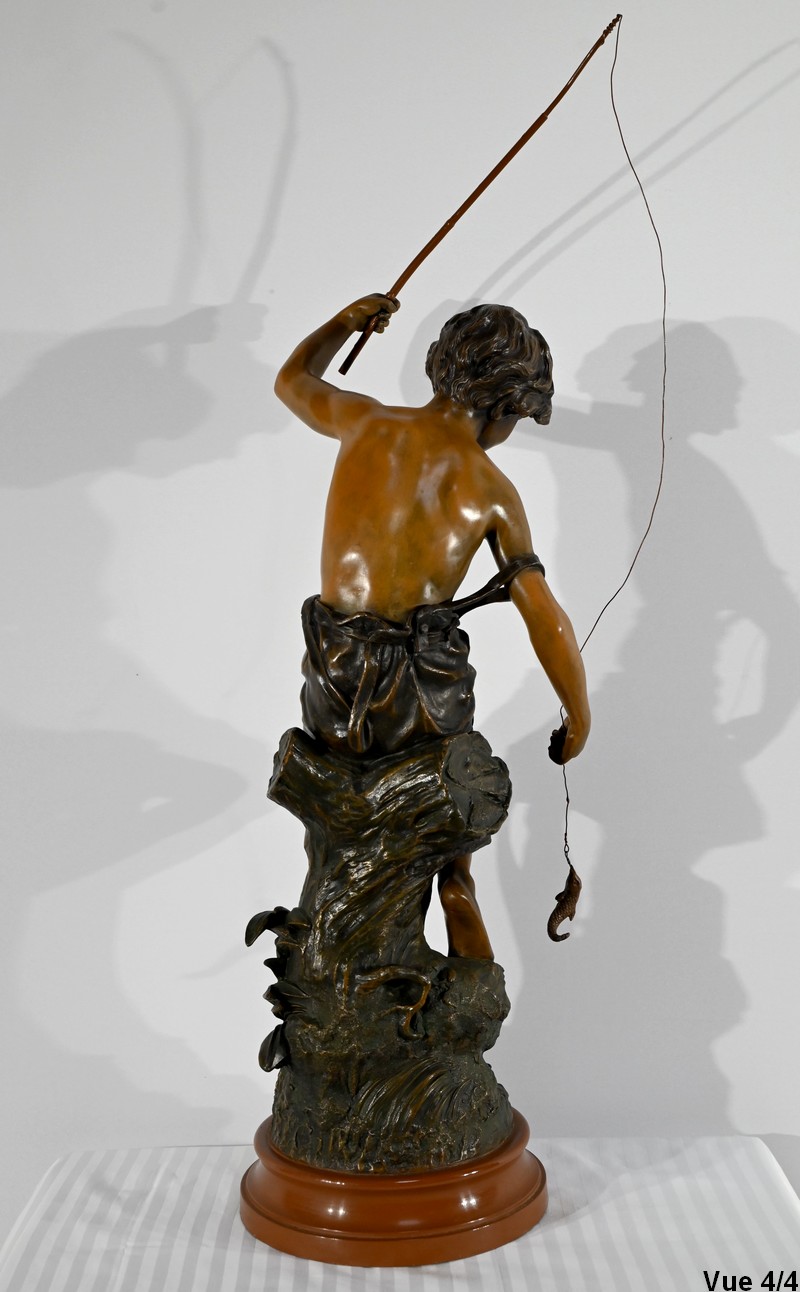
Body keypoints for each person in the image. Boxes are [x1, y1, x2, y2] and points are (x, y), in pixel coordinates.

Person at [274, 293, 590, 959]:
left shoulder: (364, 421)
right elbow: (543, 614)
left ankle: (333, 935)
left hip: (333, 667)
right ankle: (456, 892)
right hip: (420, 685)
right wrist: (578, 711)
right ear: (505, 407)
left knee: (335, 833)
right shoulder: (491, 490)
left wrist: (344, 324)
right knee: (446, 831)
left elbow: (292, 381)